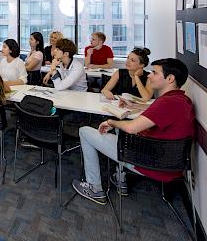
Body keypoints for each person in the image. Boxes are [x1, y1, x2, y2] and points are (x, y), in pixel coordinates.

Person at [72, 58, 195, 205]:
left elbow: (131, 128)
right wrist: (135, 107)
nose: (149, 76)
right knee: (121, 130)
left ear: (170, 78)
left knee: (85, 131)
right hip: (171, 162)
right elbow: (156, 111)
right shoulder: (181, 100)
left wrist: (111, 122)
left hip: (148, 161)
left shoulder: (167, 102)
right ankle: (120, 176)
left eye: (154, 73)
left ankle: (94, 188)